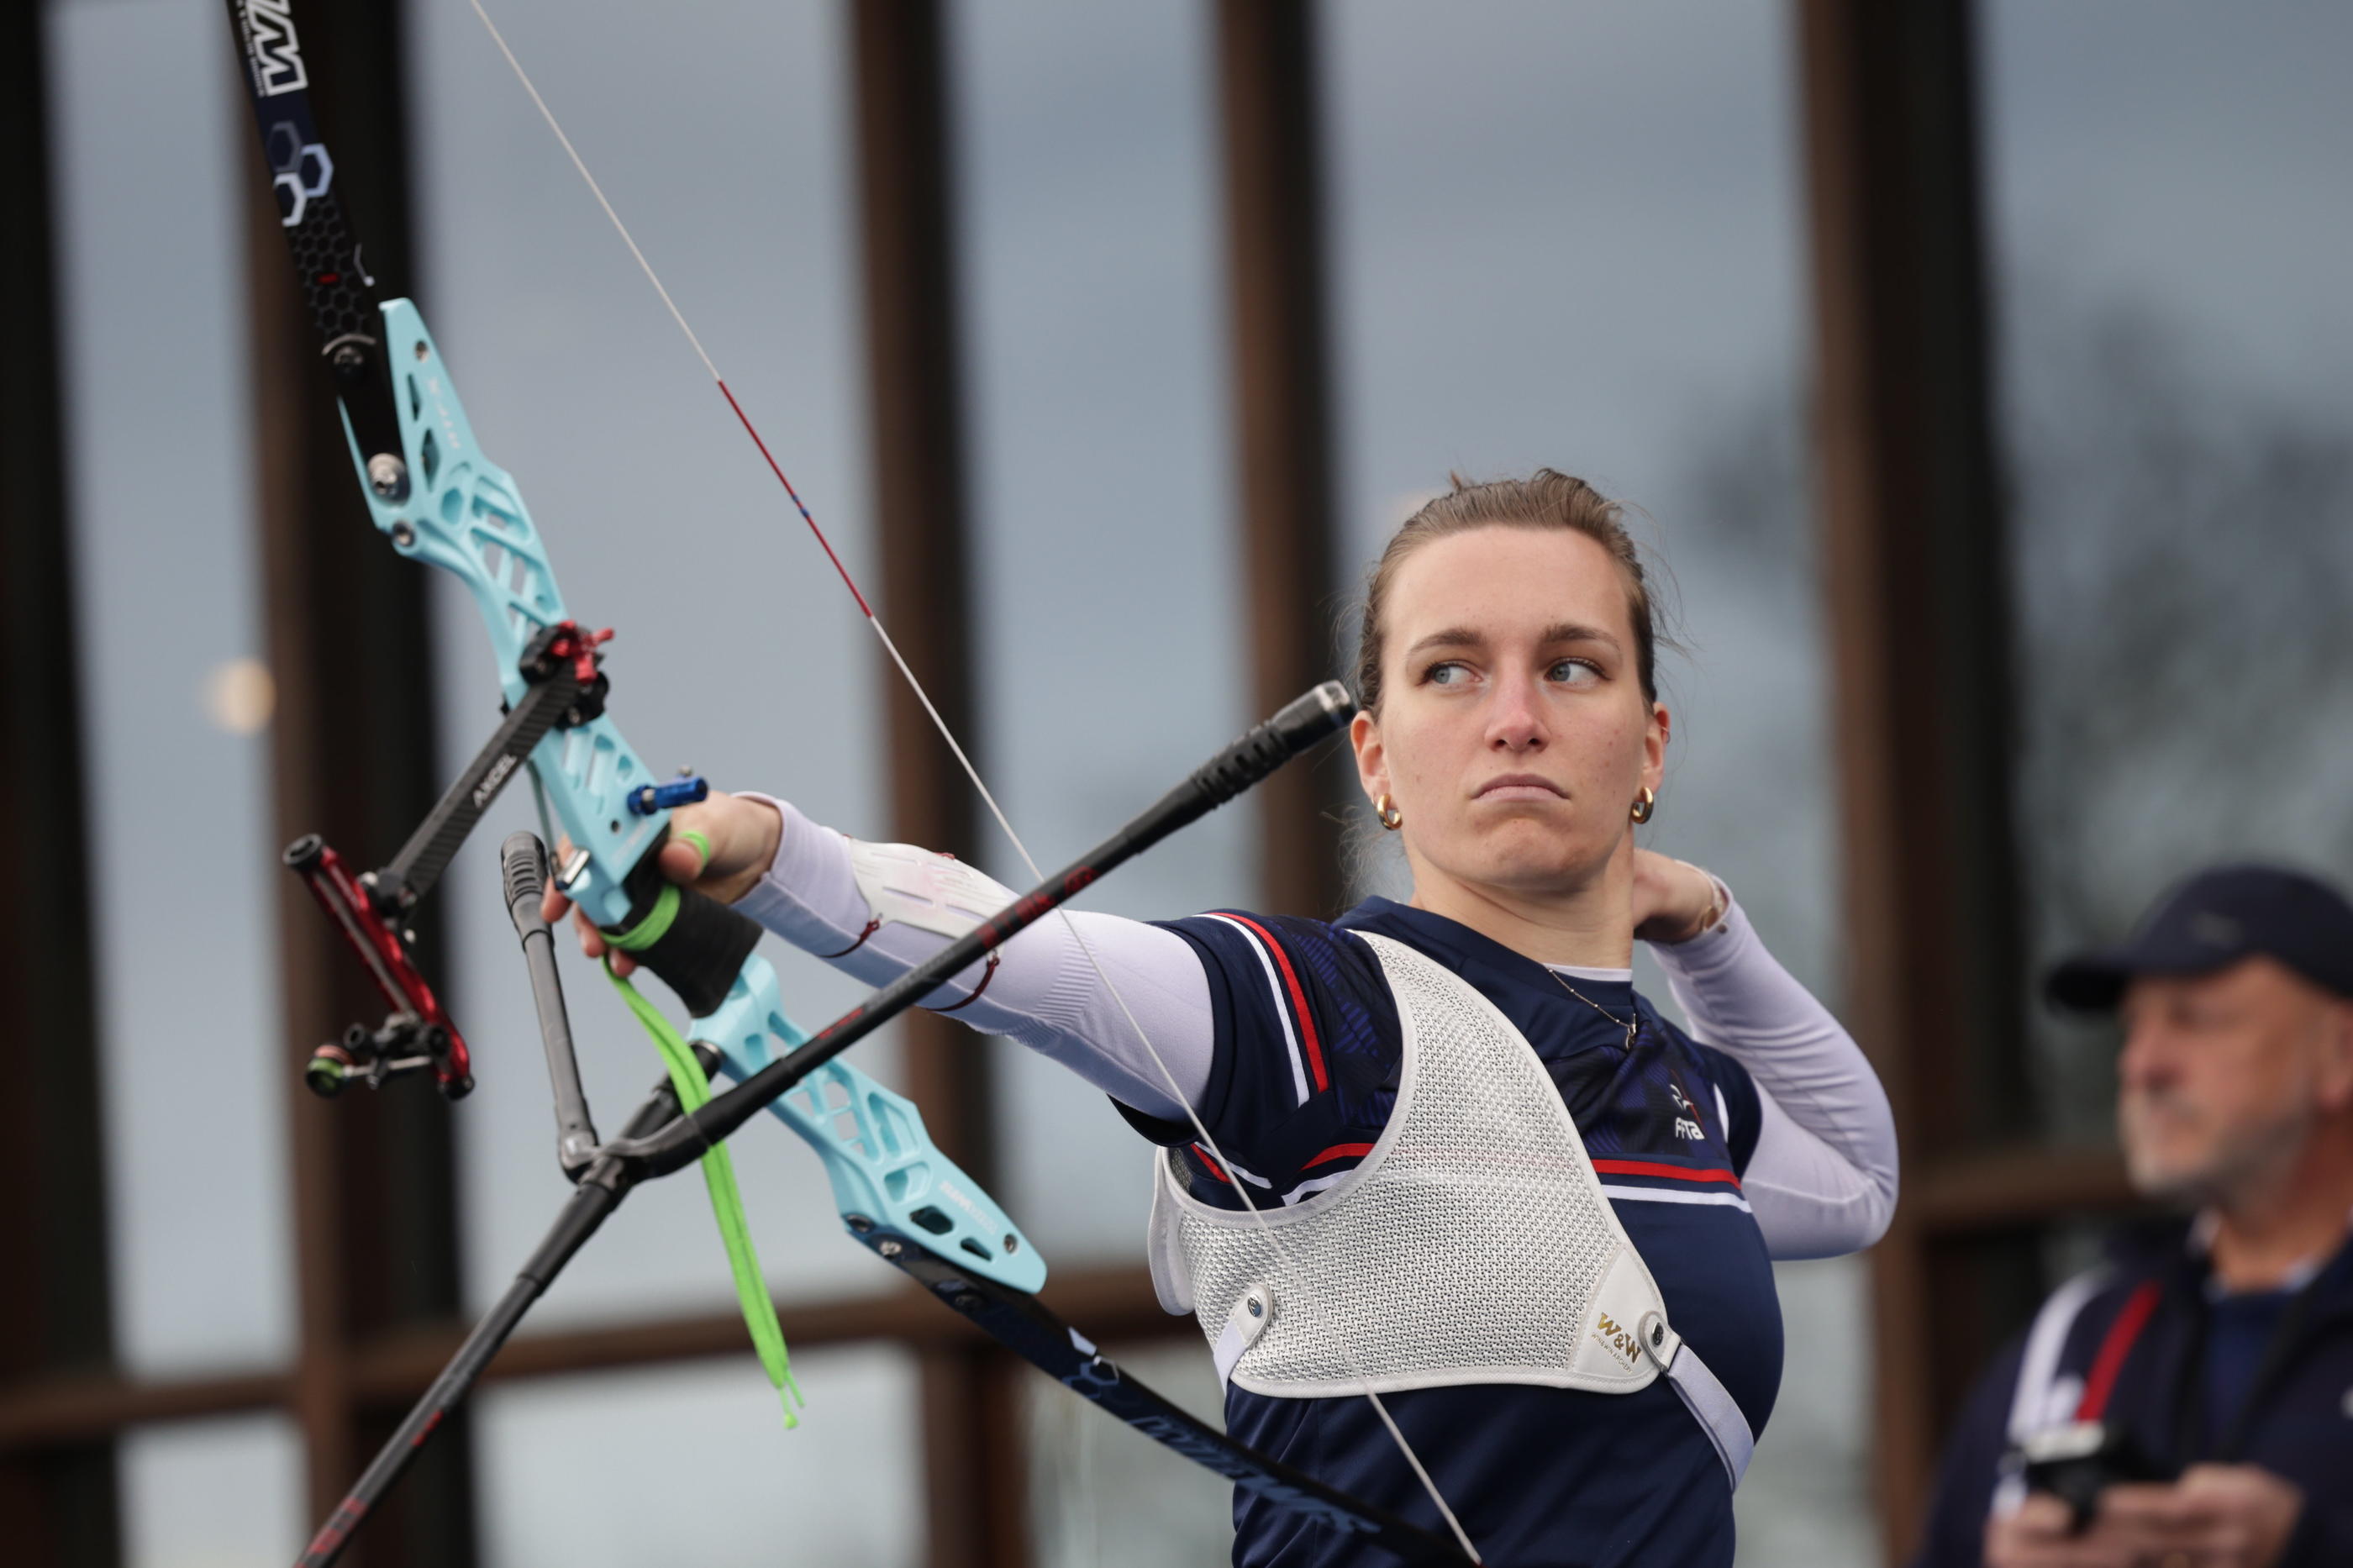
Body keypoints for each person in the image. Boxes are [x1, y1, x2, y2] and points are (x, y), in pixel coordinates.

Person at [550, 471, 1898, 1567]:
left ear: (1649, 744)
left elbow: (1856, 1176)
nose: (1515, 718)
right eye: (1449, 672)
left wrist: (1707, 925)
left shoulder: (1685, 1092)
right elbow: (1042, 957)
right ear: (1375, 757)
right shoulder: (1327, 1017)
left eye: (1572, 666)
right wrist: (764, 850)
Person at [1909, 865, 2353, 1568]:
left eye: (2195, 1018)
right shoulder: (2078, 1338)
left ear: (2341, 1052)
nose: (2141, 1065)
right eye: (2133, 1026)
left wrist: (2306, 1548)